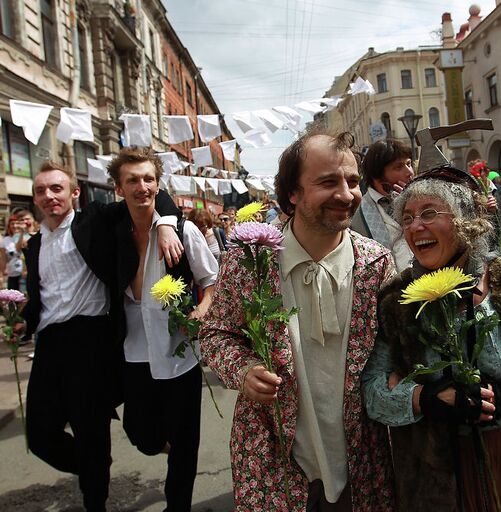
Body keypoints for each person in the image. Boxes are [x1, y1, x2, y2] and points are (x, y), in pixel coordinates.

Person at [200, 129, 395, 511]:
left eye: (353, 181)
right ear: (292, 193)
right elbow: (215, 334)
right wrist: (243, 369)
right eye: (327, 182)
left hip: (362, 462)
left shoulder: (377, 263)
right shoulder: (249, 261)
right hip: (274, 460)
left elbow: (393, 352)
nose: (345, 194)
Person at [362, 166, 501, 511]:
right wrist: (428, 399)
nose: (416, 227)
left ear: (466, 219)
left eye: (429, 213)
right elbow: (373, 389)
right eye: (409, 218)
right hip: (436, 477)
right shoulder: (396, 301)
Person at [21, 161, 181, 512]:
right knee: (40, 436)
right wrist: (22, 321)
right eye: (40, 191)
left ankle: (96, 495)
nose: (48, 196)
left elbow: (152, 194)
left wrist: (167, 224)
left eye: (56, 188)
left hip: (90, 341)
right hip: (48, 344)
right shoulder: (34, 244)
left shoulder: (93, 221)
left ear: (74, 193)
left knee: (89, 429)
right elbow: (41, 296)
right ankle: (94, 467)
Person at [105, 149, 218, 512]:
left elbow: (214, 281)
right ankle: (164, 444)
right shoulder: (113, 234)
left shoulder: (183, 231)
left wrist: (202, 309)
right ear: (119, 188)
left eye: (148, 179)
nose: (142, 187)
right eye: (132, 180)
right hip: (134, 352)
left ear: (158, 184)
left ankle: (178, 506)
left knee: (186, 443)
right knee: (139, 432)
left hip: (179, 353)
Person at [351, 139, 414, 272]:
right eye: (398, 167)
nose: (409, 172)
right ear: (377, 174)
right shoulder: (357, 215)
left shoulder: (420, 200)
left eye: (409, 164)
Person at [1, 214, 25, 290]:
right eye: (12, 224)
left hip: (24, 273)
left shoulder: (26, 236)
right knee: (13, 298)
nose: (14, 226)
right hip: (12, 273)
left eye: (17, 223)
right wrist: (2, 272)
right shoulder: (5, 240)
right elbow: (3, 258)